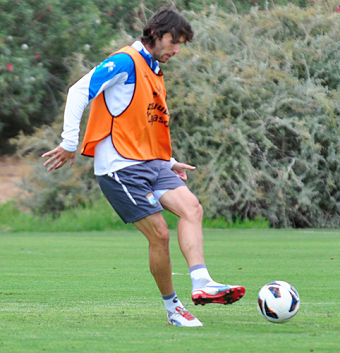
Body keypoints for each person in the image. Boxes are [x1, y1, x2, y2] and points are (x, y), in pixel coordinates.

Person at [42, 7, 245, 327]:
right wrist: (69, 142)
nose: (176, 50)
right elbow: (79, 91)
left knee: (192, 208)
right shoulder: (126, 61)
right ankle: (173, 308)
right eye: (173, 41)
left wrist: (168, 160)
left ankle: (203, 283)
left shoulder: (154, 71)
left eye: (180, 44)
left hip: (152, 162)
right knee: (160, 235)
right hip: (120, 168)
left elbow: (145, 125)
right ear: (156, 33)